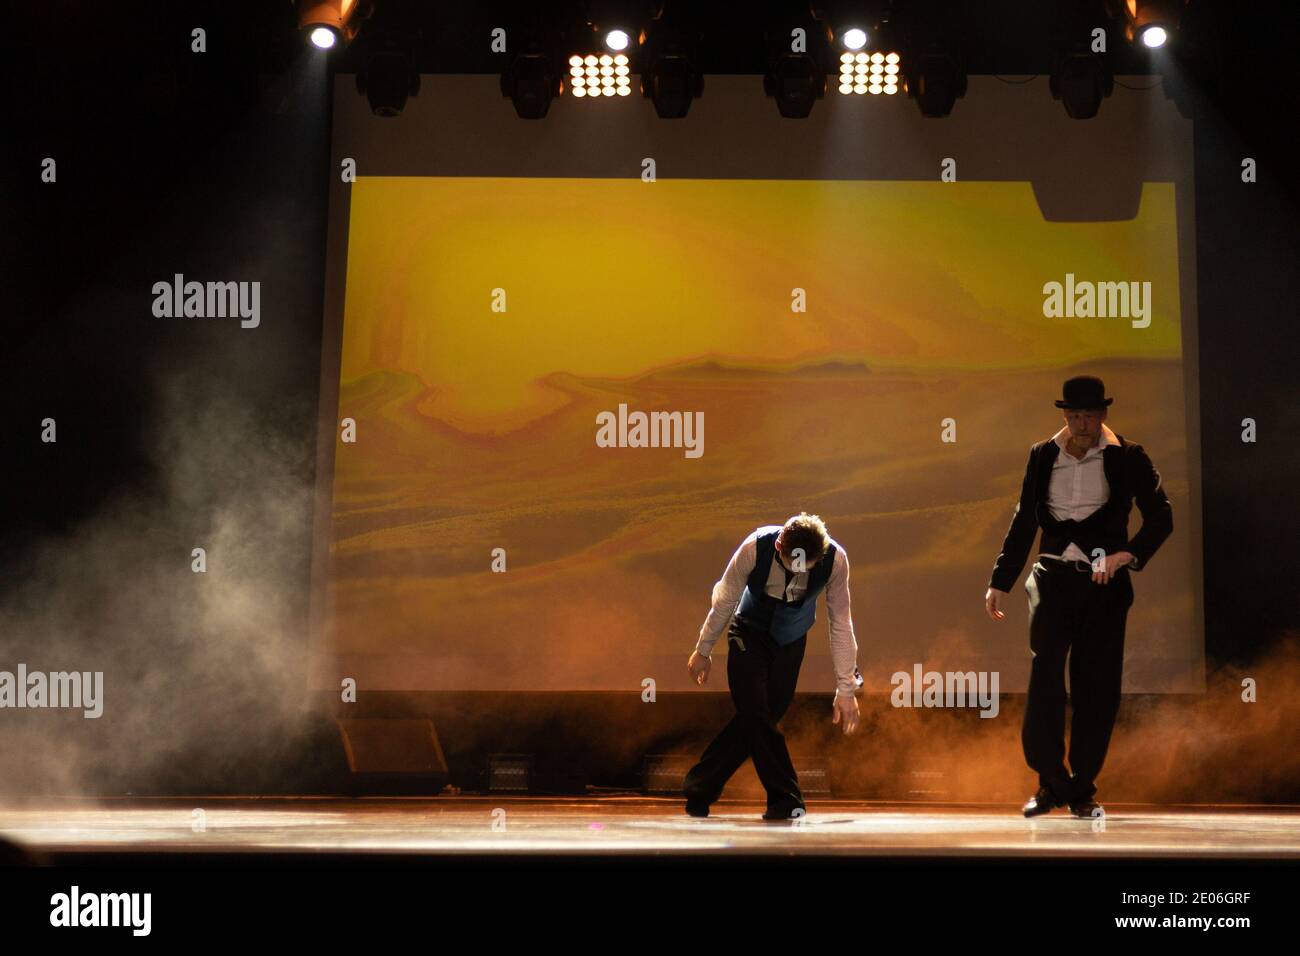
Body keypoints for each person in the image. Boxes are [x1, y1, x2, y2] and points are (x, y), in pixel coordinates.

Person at [985, 375, 1173, 818]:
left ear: (1103, 414)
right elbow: (1024, 521)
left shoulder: (1127, 457)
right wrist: (1000, 580)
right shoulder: (1042, 454)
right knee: (1045, 675)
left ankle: (1082, 789)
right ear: (1064, 415)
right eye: (1072, 415)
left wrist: (1126, 555)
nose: (1080, 424)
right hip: (1052, 579)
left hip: (1102, 587)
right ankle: (1050, 780)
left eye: (1088, 415)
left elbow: (1161, 518)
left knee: (1096, 686)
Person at [684, 512, 862, 821]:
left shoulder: (835, 560)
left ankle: (701, 785)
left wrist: (846, 688)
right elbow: (724, 600)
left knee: (762, 718)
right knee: (755, 713)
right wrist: (704, 649)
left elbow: (841, 623)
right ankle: (786, 799)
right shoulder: (755, 548)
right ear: (779, 544)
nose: (796, 574)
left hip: (790, 641)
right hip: (748, 635)